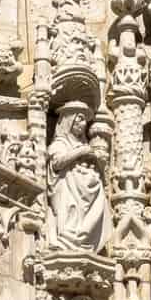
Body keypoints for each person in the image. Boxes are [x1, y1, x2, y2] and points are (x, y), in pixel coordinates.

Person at [49, 104, 106, 251]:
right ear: (69, 120)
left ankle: (83, 237)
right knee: (70, 211)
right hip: (66, 187)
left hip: (84, 187)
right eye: (79, 119)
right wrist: (80, 152)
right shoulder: (61, 143)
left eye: (85, 120)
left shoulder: (83, 144)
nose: (84, 124)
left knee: (99, 191)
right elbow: (57, 163)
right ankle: (67, 239)